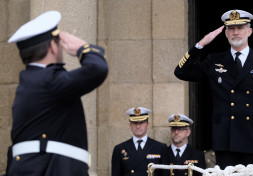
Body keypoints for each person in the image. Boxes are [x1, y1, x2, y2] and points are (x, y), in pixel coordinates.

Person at [174, 9, 253, 169]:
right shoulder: (215, 60)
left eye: (240, 28)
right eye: (231, 28)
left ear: (249, 31)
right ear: (225, 33)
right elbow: (181, 72)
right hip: (226, 139)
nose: (236, 32)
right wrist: (201, 44)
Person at [5, 11, 108, 176]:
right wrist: (83, 48)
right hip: (51, 169)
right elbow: (98, 69)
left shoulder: (30, 81)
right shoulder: (49, 80)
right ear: (53, 46)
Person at [111, 107, 167, 176]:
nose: (138, 126)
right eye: (134, 123)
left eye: (141, 122)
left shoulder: (160, 148)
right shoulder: (119, 149)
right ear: (130, 125)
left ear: (147, 125)